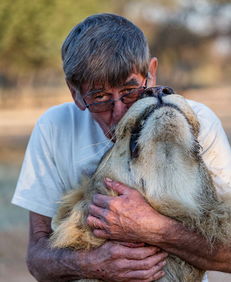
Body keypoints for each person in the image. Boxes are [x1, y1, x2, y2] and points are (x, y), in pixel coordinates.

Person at [12, 13, 231, 281]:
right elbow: (37, 260)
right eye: (101, 97)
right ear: (75, 93)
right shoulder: (54, 126)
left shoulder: (196, 121)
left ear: (151, 72)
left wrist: (154, 229)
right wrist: (89, 263)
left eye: (130, 91)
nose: (119, 113)